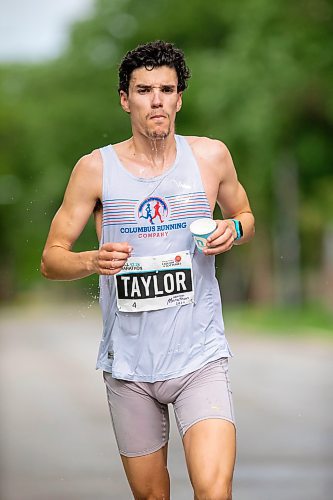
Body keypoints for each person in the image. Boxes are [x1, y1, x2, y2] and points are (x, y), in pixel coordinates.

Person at [41, 40, 255, 500]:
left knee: (214, 489)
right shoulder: (95, 169)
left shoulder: (211, 156)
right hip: (129, 366)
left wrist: (231, 228)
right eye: (143, 90)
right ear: (125, 99)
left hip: (200, 356)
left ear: (180, 98)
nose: (156, 100)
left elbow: (246, 216)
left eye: (166, 89)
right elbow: (51, 258)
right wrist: (90, 260)